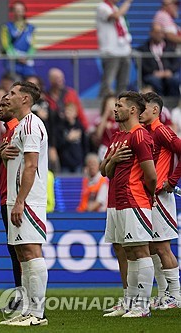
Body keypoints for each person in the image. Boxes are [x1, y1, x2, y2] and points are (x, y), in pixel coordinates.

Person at [101, 91, 156, 318]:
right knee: (129, 251)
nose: (115, 109)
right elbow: (105, 171)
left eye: (119, 105)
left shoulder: (140, 136)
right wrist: (112, 160)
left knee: (141, 251)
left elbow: (151, 175)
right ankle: (131, 302)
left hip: (134, 200)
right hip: (116, 202)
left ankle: (142, 306)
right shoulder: (117, 137)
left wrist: (148, 197)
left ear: (133, 110)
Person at [0, 81, 48, 327]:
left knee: (31, 251)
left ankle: (37, 314)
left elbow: (31, 165)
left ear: (26, 99)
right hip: (17, 200)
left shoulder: (31, 125)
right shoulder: (20, 128)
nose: (7, 97)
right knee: (22, 254)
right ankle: (28, 309)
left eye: (13, 94)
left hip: (28, 200)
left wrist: (20, 201)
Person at [139, 91, 181, 309]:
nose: (139, 112)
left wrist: (172, 181)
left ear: (155, 110)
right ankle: (165, 293)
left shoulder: (161, 130)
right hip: (149, 196)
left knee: (163, 246)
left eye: (143, 108)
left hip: (161, 197)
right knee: (153, 246)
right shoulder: (145, 132)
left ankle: (176, 295)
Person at [0, 94, 22, 296]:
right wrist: (0, 156)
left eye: (5, 105)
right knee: (14, 250)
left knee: (21, 251)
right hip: (6, 196)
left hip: (15, 198)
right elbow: (2, 167)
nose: (0, 108)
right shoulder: (6, 134)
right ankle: (21, 293)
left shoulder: (17, 131)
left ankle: (27, 297)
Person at [96, 0, 132, 97]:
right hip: (111, 52)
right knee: (108, 82)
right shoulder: (102, 7)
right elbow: (115, 16)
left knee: (123, 83)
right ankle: (103, 106)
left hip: (124, 51)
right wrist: (127, 2)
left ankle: (121, 105)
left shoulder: (116, 8)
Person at [136, 23, 180, 98]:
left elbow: (176, 62)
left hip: (168, 73)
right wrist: (153, 72)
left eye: (161, 32)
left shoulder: (170, 48)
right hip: (152, 74)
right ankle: (160, 101)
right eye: (157, 32)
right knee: (154, 81)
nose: (159, 35)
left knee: (174, 80)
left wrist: (170, 71)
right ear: (151, 33)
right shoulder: (143, 49)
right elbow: (142, 65)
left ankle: (174, 102)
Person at [0, 1, 36, 79]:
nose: (18, 12)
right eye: (16, 10)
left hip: (26, 63)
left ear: (24, 11)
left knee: (30, 85)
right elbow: (6, 45)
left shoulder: (31, 28)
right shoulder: (6, 27)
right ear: (12, 11)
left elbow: (33, 46)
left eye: (20, 10)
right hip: (13, 63)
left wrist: (27, 57)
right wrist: (17, 57)